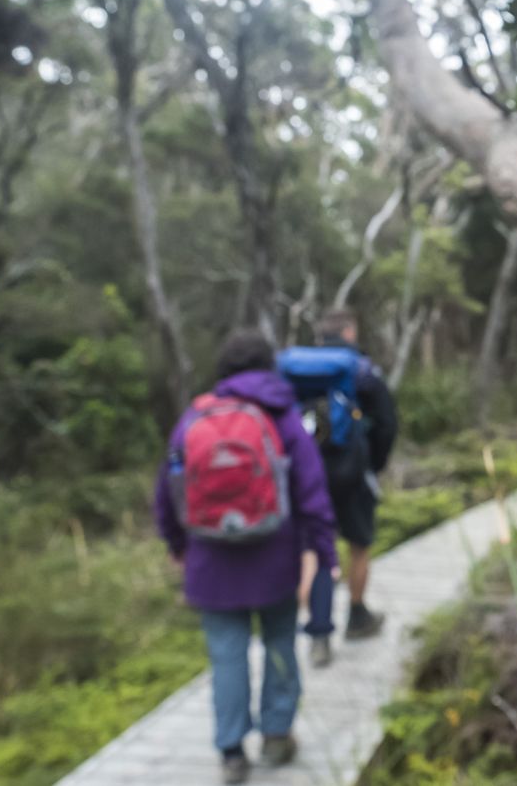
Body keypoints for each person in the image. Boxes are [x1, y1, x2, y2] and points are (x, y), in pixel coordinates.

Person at [154, 329, 338, 785]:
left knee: (227, 656)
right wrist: (323, 548)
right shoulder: (283, 417)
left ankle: (232, 752)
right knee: (279, 642)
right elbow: (312, 492)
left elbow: (167, 491)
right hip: (275, 557)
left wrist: (177, 544)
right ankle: (276, 736)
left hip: (209, 561)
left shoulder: (194, 418)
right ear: (268, 367)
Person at [285, 308, 397, 666]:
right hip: (353, 472)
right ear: (349, 332)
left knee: (318, 550)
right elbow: (388, 422)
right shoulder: (360, 370)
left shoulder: (294, 370)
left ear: (319, 336)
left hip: (306, 475)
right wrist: (374, 464)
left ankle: (319, 635)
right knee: (359, 545)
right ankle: (357, 616)